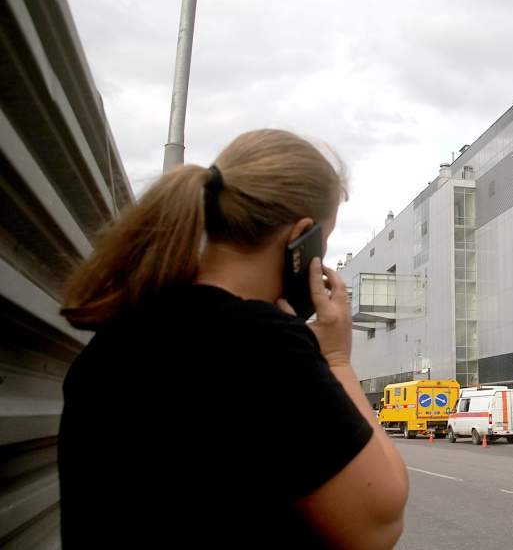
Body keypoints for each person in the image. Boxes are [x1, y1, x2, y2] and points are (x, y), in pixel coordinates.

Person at [57, 129, 409, 548]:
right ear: (300, 237)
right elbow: (379, 523)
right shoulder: (265, 346)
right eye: (324, 243)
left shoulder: (118, 335)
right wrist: (336, 359)